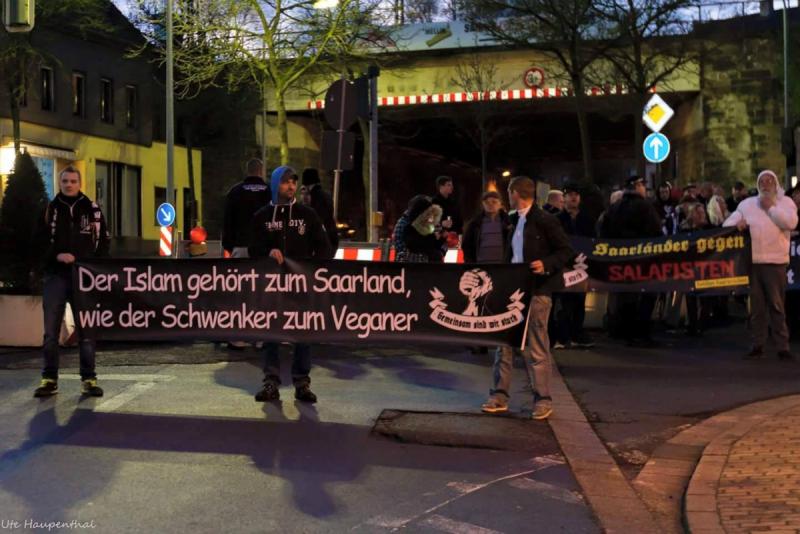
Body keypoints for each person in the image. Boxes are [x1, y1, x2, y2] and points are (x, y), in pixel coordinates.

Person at [481, 176, 574, 420]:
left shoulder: (545, 220)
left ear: (515, 193)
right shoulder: (510, 220)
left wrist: (545, 264)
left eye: (509, 193)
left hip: (536, 290)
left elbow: (565, 250)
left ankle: (542, 399)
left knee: (536, 345)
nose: (507, 197)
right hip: (511, 290)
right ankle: (499, 395)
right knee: (505, 343)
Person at [249, 166, 333, 402]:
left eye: (294, 182)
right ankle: (270, 382)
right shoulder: (262, 216)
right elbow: (253, 249)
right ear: (276, 184)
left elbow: (324, 248)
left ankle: (302, 383)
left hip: (302, 287)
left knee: (303, 335)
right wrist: (268, 252)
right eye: (286, 182)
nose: (291, 186)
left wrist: (312, 268)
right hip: (271, 288)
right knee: (271, 334)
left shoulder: (308, 215)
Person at [33, 166, 110, 398]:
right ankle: (49, 379)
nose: (69, 184)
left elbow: (104, 244)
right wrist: (56, 256)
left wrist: (92, 267)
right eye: (65, 181)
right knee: (50, 333)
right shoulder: (49, 209)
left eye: (73, 181)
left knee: (87, 332)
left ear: (80, 182)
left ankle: (89, 379)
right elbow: (37, 244)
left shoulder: (93, 210)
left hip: (83, 279)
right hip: (55, 277)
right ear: (60, 182)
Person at [723, 170, 798, 360]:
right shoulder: (747, 204)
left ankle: (782, 345)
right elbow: (727, 224)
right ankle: (758, 344)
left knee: (777, 305)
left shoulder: (785, 202)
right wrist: (736, 224)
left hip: (775, 262)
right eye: (762, 181)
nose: (765, 184)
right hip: (754, 262)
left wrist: (771, 208)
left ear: (776, 183)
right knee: (757, 308)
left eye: (769, 181)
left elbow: (790, 222)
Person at [599, 175, 663, 347]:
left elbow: (602, 231)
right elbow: (657, 232)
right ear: (637, 186)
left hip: (620, 263)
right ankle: (641, 333)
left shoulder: (614, 208)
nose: (644, 188)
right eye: (642, 185)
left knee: (625, 297)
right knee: (646, 296)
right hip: (643, 261)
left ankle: (624, 332)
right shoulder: (645, 207)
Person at [553, 182, 595, 349]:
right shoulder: (558, 220)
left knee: (579, 301)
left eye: (576, 194)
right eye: (570, 194)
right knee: (564, 302)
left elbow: (594, 241)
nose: (573, 197)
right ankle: (562, 336)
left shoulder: (587, 219)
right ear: (564, 198)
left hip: (582, 266)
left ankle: (577, 333)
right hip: (565, 266)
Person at [222, 158, 270, 258]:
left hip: (240, 246)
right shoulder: (270, 191)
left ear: (247, 171)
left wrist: (227, 246)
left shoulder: (235, 191)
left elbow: (227, 220)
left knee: (241, 273)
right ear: (261, 171)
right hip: (265, 248)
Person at [680, 203, 712, 336]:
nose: (701, 215)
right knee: (691, 298)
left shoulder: (710, 229)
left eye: (702, 213)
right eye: (698, 213)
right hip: (691, 268)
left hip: (706, 268)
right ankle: (693, 325)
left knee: (706, 298)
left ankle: (702, 324)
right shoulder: (685, 231)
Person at [462, 191, 511, 264]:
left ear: (500, 204)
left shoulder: (508, 222)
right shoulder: (475, 223)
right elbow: (467, 246)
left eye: (494, 202)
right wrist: (470, 263)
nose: (490, 204)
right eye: (487, 202)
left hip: (503, 266)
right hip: (481, 266)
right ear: (483, 204)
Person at [302, 168, 339, 251]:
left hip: (321, 240)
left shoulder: (313, 197)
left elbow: (314, 219)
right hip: (331, 236)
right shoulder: (326, 195)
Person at [401, 195, 446, 263]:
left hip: (433, 266)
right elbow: (414, 245)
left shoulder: (430, 227)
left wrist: (441, 238)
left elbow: (437, 246)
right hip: (417, 266)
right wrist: (432, 238)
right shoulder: (410, 228)